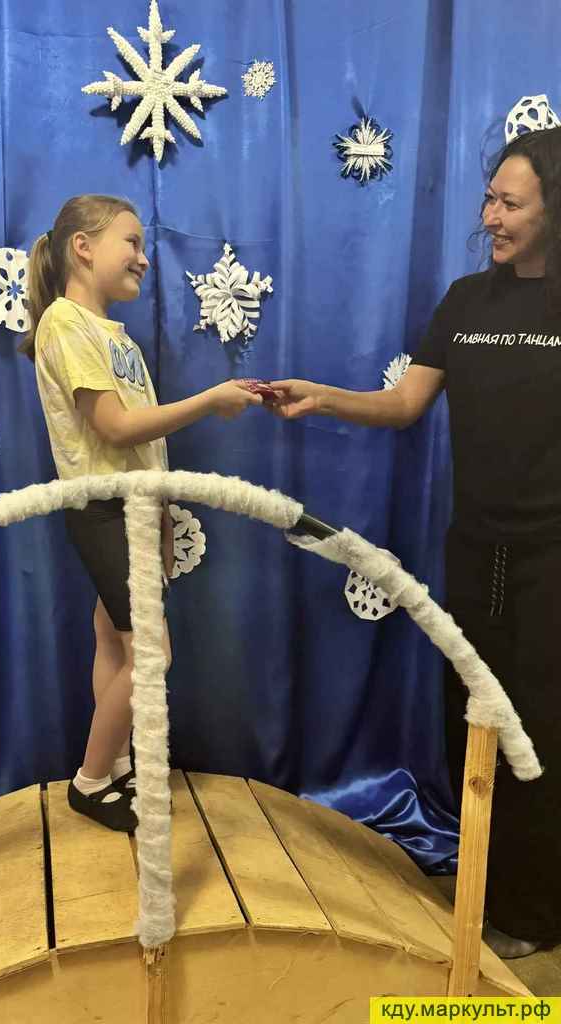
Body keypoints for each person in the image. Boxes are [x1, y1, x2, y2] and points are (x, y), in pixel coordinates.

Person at [269, 126, 561, 958]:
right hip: (475, 552)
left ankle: (536, 914)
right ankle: (486, 893)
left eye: (511, 204)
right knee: (473, 723)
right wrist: (321, 396)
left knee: (544, 729)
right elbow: (404, 406)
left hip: (553, 560)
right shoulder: (466, 301)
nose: (490, 216)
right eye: (490, 199)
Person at [20, 194, 262, 832]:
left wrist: (160, 515)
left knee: (113, 639)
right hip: (104, 508)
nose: (144, 258)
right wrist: (209, 401)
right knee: (152, 653)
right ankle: (90, 780)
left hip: (133, 507)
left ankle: (117, 765)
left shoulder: (113, 335)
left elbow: (141, 447)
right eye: (131, 242)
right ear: (83, 247)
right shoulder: (64, 323)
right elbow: (117, 427)